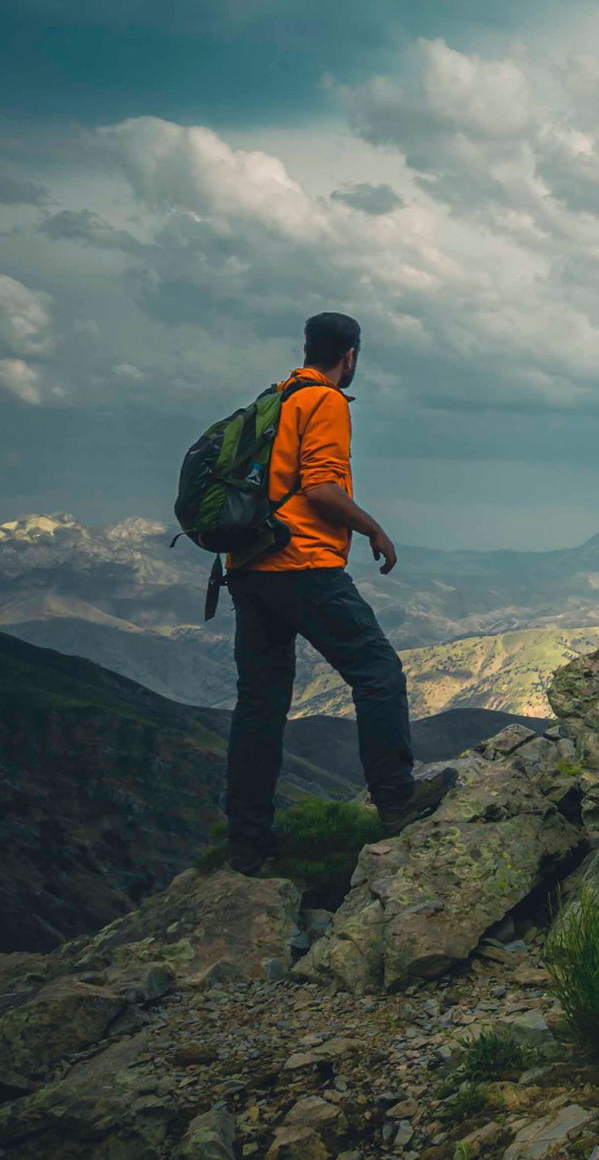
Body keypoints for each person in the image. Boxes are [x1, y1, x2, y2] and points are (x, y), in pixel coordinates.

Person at [224, 312, 451, 875]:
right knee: (377, 671)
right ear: (350, 355)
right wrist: (373, 527)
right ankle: (396, 802)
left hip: (248, 565)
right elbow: (320, 486)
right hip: (300, 562)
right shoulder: (322, 402)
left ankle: (248, 843)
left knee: (261, 703)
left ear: (308, 348)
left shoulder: (275, 398)